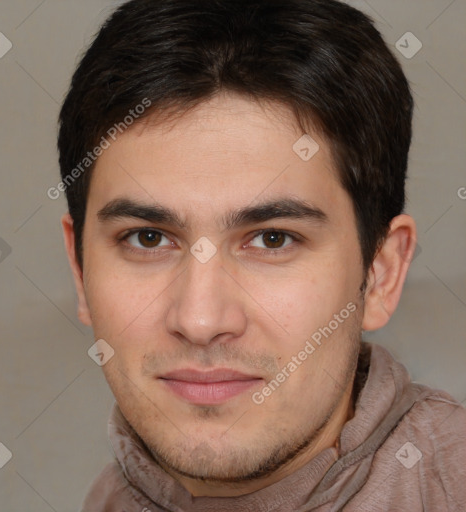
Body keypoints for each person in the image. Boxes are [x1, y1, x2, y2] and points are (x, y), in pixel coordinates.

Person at [57, 0, 466, 510]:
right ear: (79, 269)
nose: (201, 319)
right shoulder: (110, 497)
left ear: (380, 274)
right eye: (148, 238)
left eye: (273, 239)